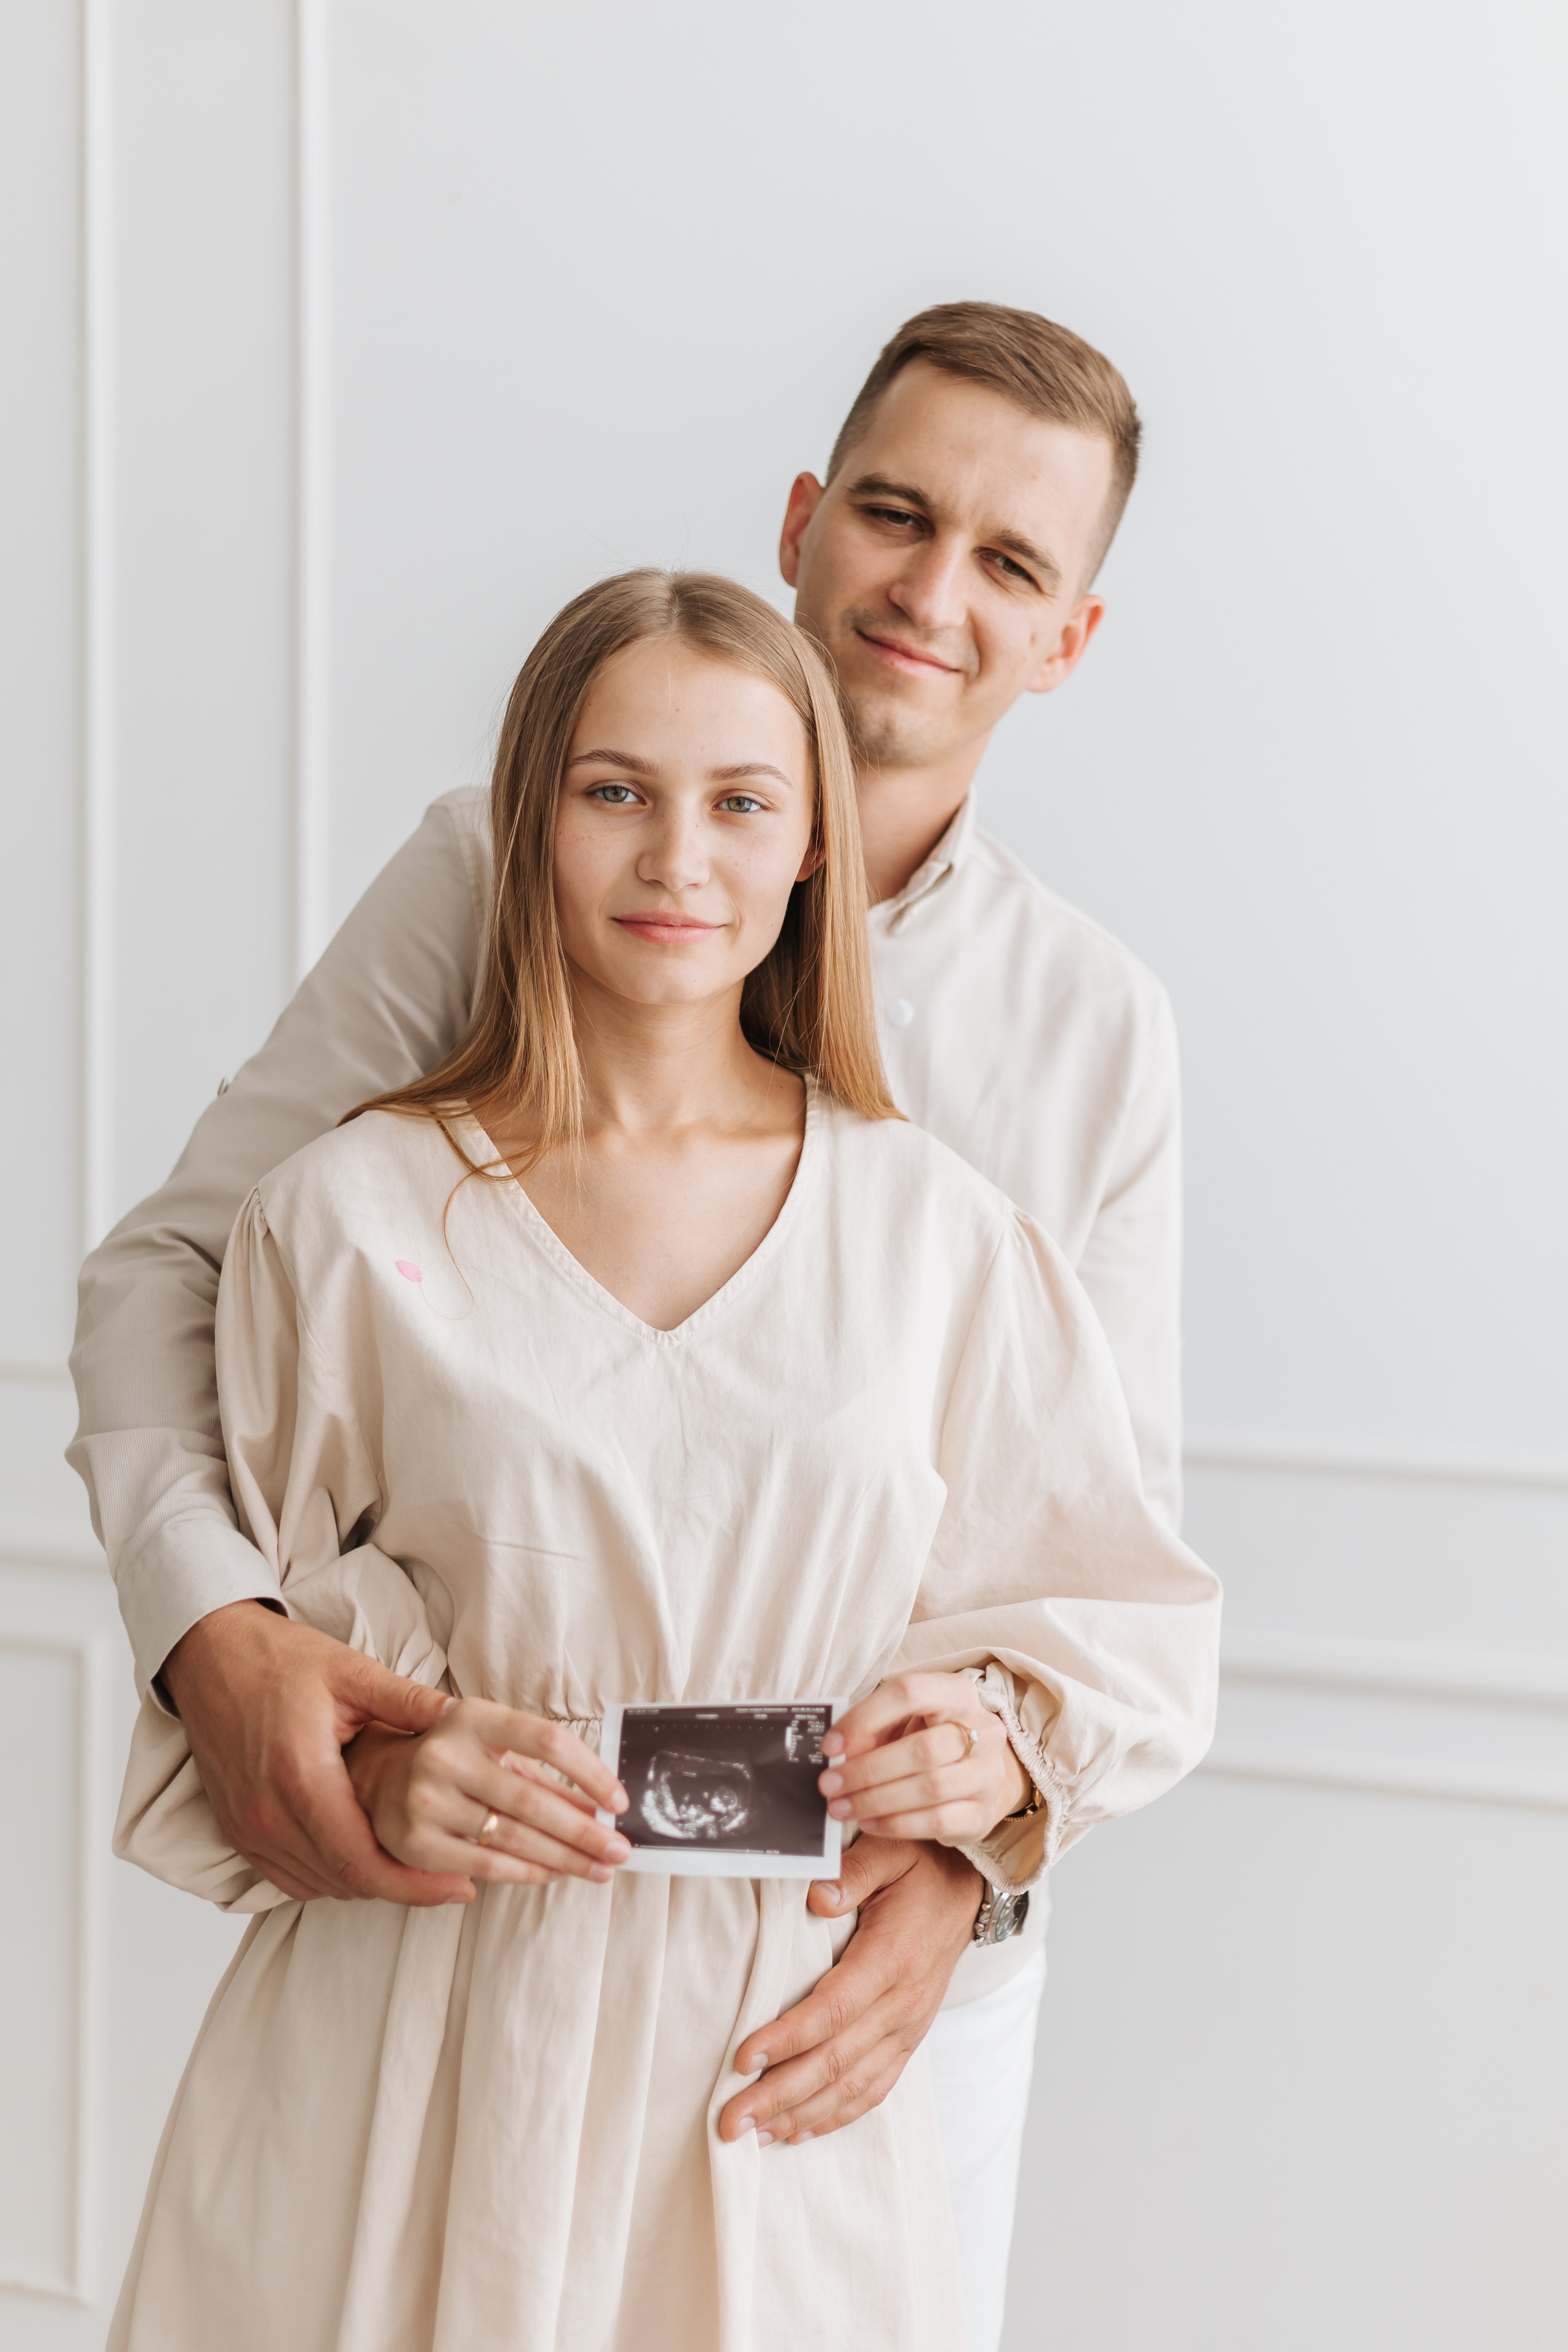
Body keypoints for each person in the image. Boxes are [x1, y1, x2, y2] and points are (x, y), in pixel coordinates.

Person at [71, 303, 1188, 2350]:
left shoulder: (1086, 1041)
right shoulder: (472, 924)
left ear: (1071, 635)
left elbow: (1097, 1553)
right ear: (805, 517)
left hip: (847, 1979)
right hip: (463, 1955)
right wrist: (221, 1637)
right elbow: (186, 1274)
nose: (931, 591)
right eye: (895, 514)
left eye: (1010, 560)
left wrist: (976, 1854)